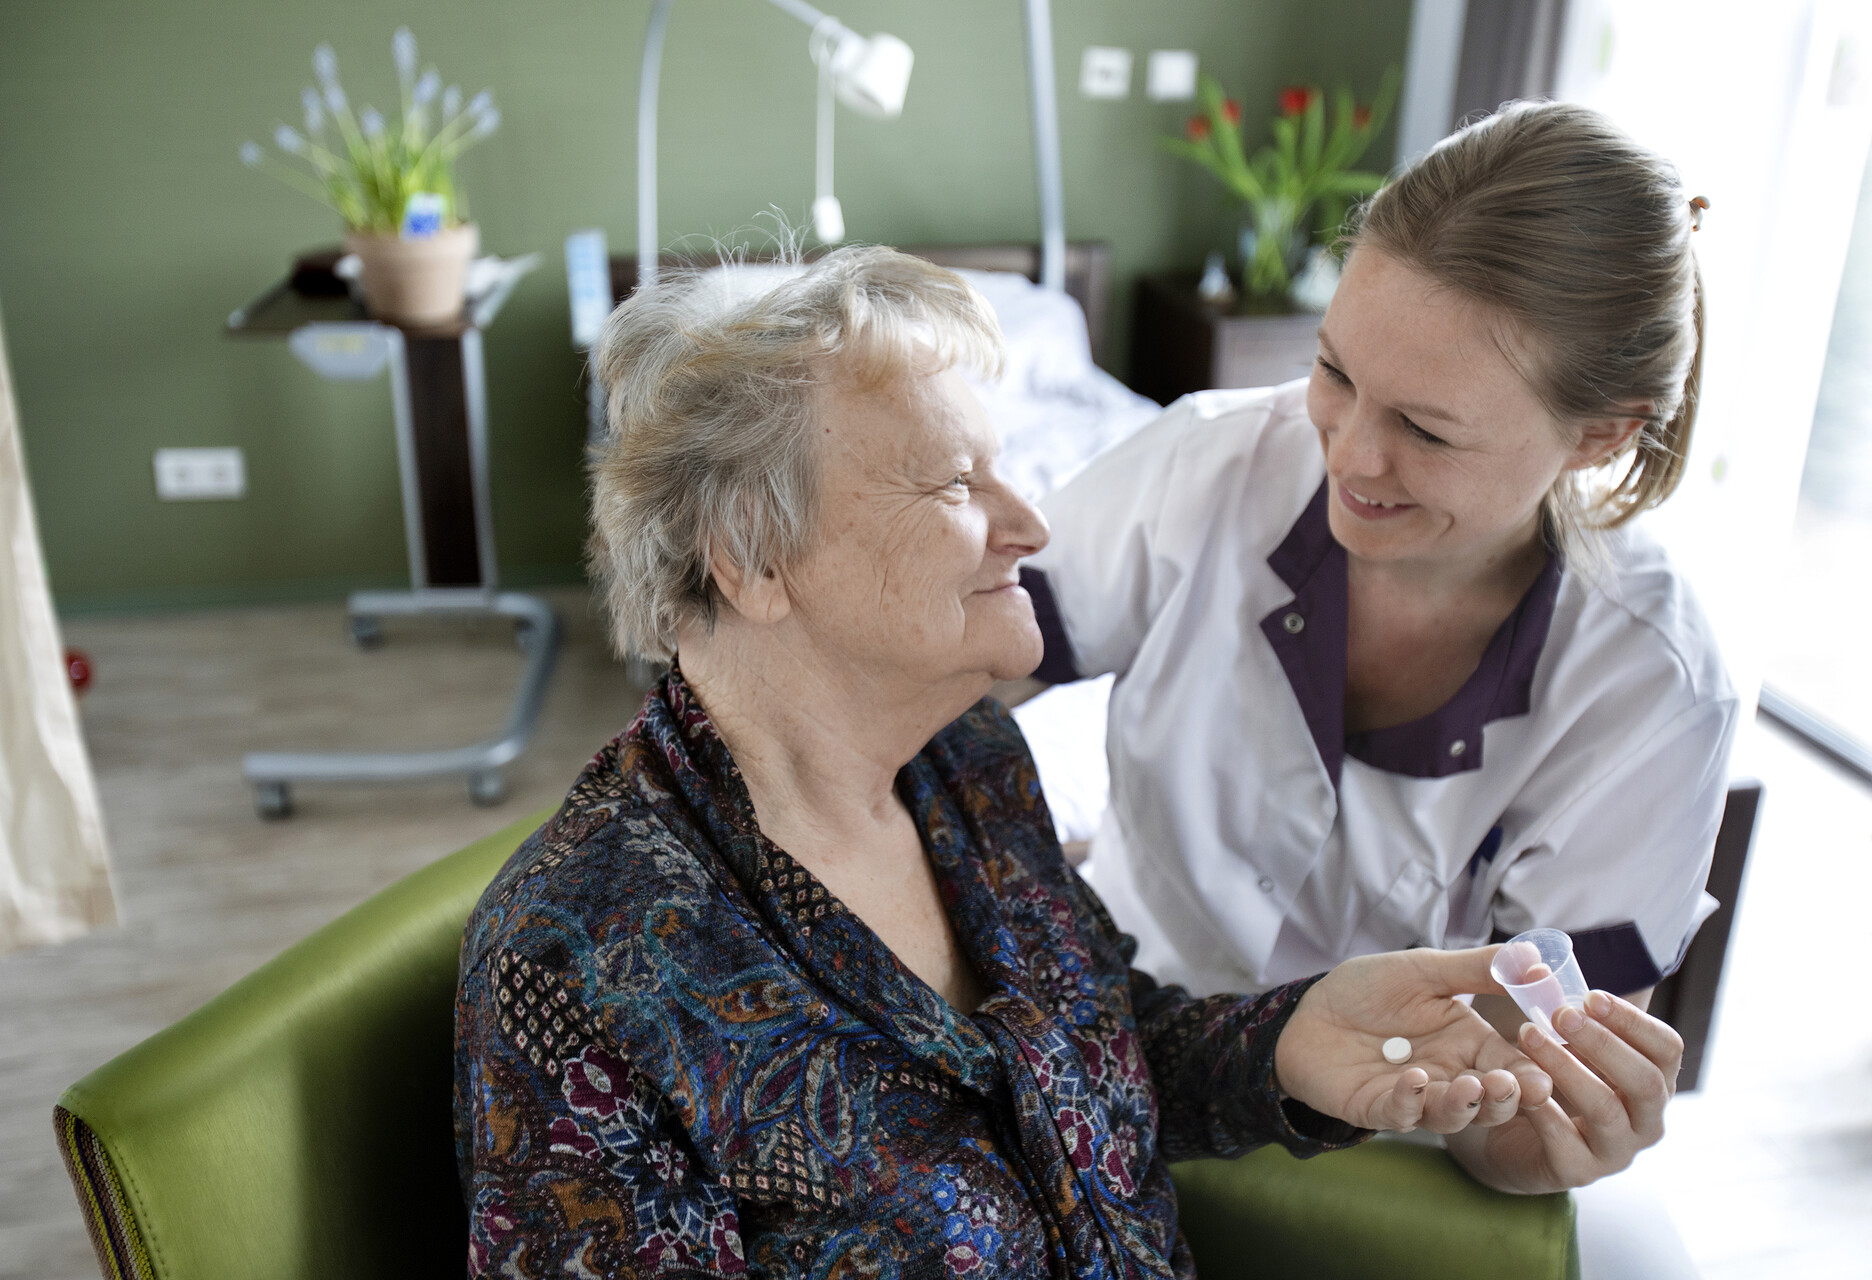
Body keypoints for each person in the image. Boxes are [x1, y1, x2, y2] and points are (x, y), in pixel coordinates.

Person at [453, 246, 1682, 1276]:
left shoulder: (964, 762)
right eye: (956, 481)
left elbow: (1094, 1048)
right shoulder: (578, 957)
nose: (1030, 524)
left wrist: (1293, 1040)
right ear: (752, 559)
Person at [1014, 101, 1732, 1193]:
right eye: (1335, 371)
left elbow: (1510, 1113)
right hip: (1119, 1030)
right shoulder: (1206, 466)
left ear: (1600, 435)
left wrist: (1543, 1139)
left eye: (1427, 430)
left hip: (1384, 1141)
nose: (1349, 455)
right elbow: (949, 673)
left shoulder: (1651, 692)